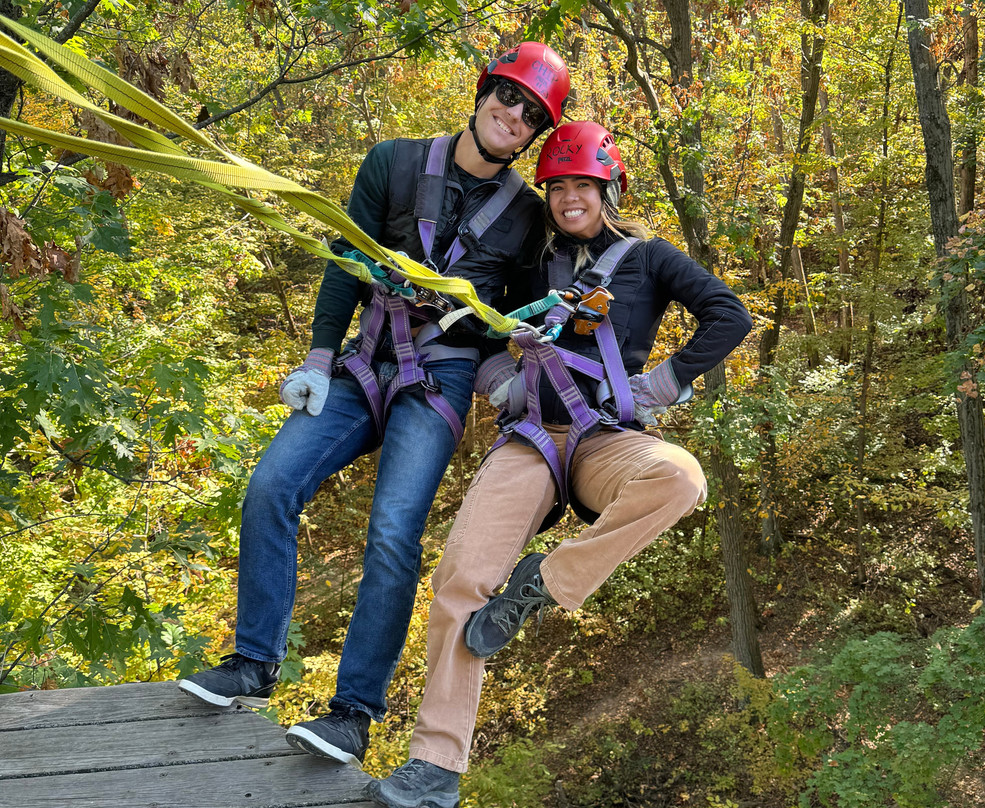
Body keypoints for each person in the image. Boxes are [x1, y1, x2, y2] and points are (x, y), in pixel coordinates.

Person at [177, 42, 571, 770]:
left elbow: (511, 316)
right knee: (271, 485)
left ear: (535, 133)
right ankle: (252, 664)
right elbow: (342, 261)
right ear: (484, 91)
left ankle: (353, 713)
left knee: (393, 532)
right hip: (363, 364)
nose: (511, 116)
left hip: (440, 380)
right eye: (507, 96)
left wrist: (506, 376)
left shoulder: (524, 217)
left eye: (530, 113)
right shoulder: (392, 162)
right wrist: (318, 357)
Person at [364, 121, 753, 808]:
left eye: (583, 185)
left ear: (609, 188)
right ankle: (435, 766)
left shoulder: (649, 258)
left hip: (604, 438)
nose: (571, 197)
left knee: (681, 478)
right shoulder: (527, 265)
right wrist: (498, 381)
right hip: (534, 440)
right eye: (558, 186)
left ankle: (544, 583)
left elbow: (729, 315)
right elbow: (475, 328)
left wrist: (663, 383)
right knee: (462, 575)